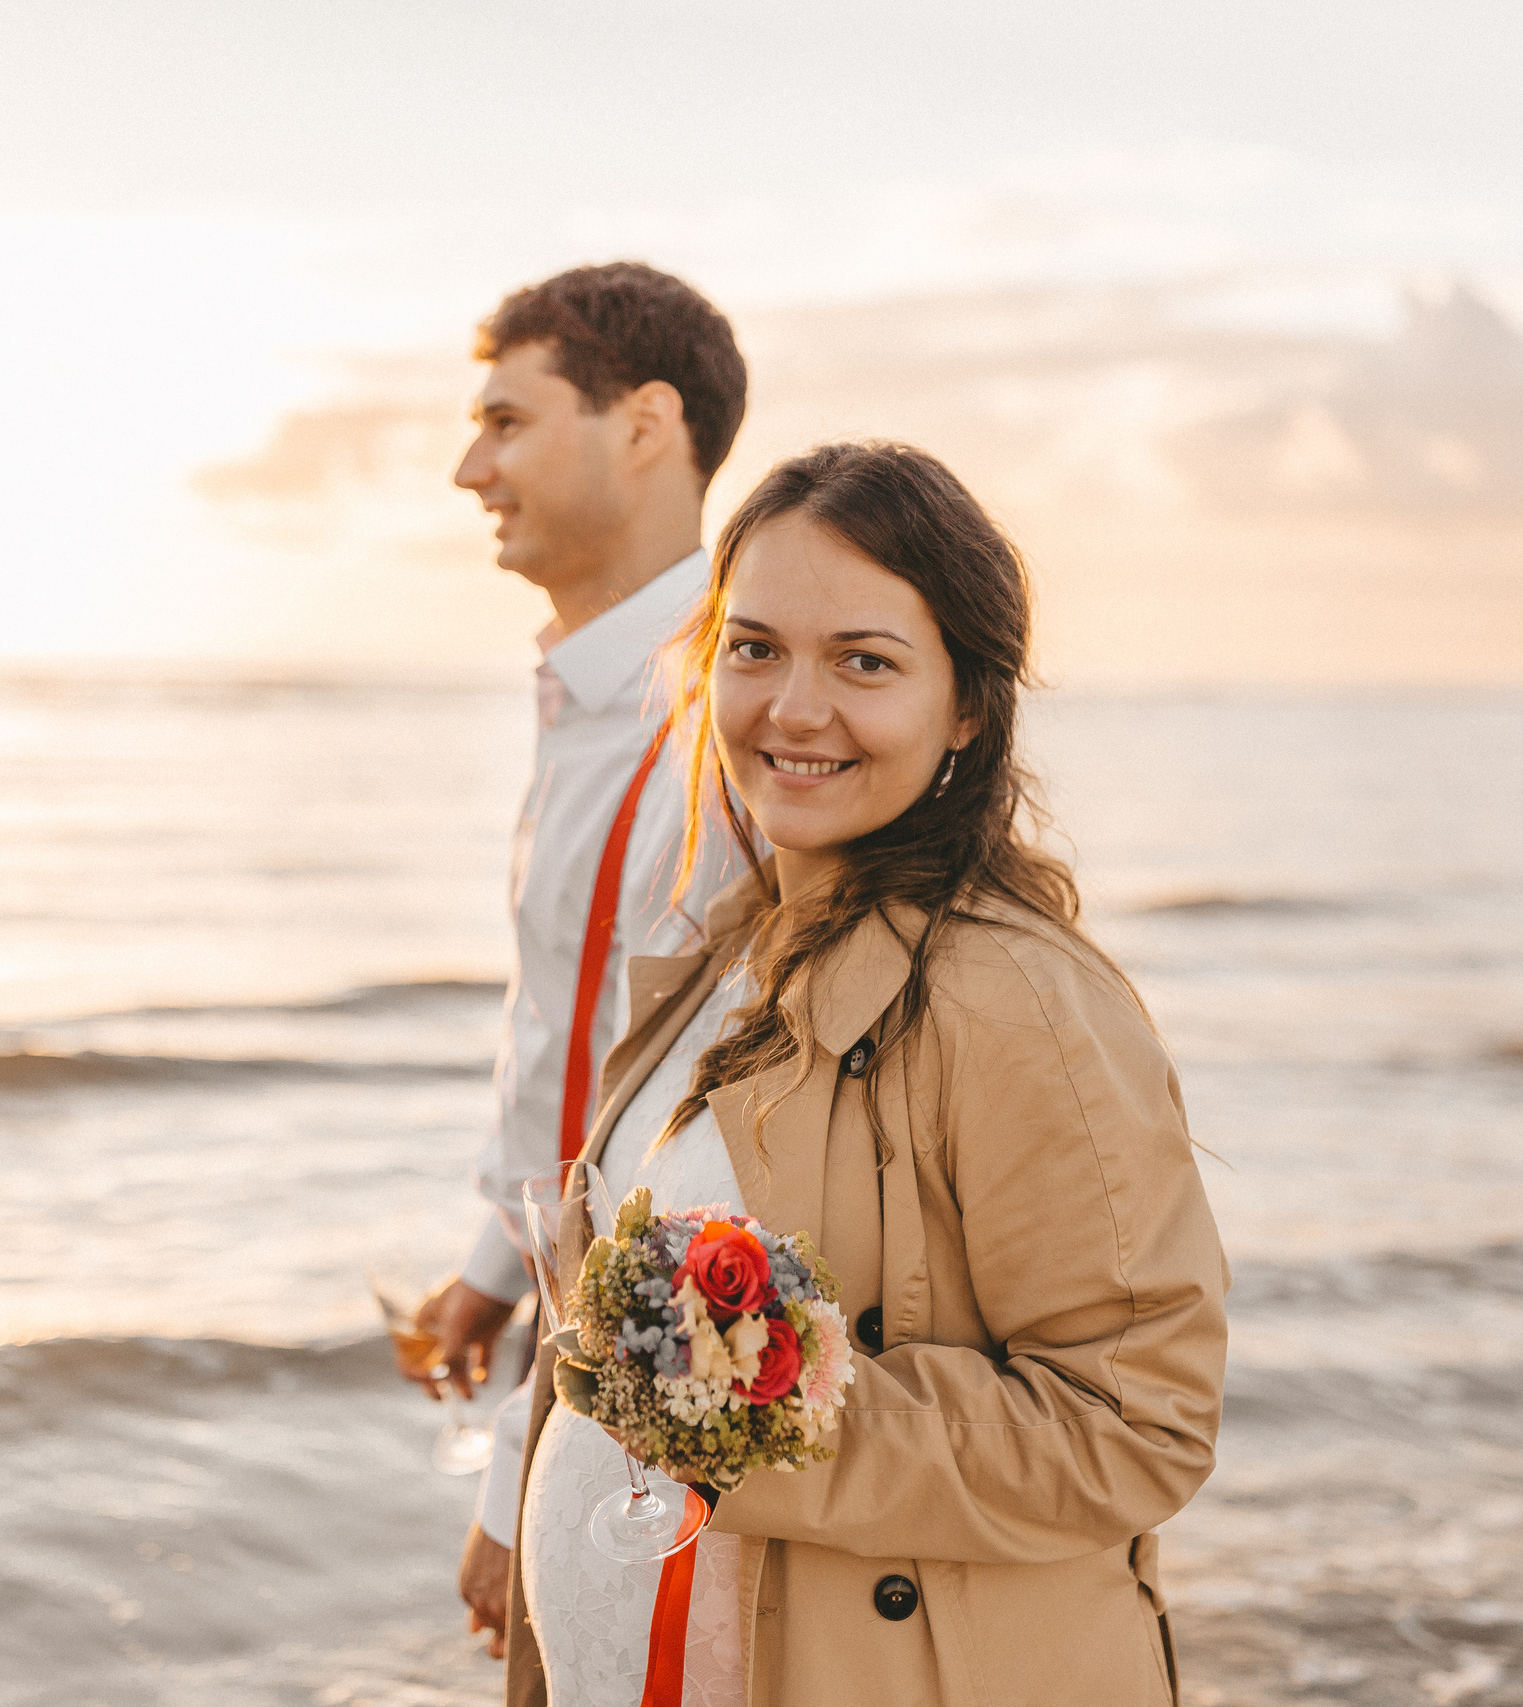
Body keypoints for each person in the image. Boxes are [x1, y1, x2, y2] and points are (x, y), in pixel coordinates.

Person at [504, 442, 1230, 1706]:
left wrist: (740, 1417)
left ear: (967, 707)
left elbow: (1133, 1421)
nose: (793, 708)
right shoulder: (725, 955)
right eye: (754, 647)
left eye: (864, 662)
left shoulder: (1013, 1001)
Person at [413, 261, 751, 1657]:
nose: (469, 468)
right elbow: (570, 1026)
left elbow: (678, 1158)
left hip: (631, 1392)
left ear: (644, 424)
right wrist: (490, 1266)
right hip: (575, 1338)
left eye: (508, 421)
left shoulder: (720, 732)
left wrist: (524, 1460)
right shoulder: (590, 695)